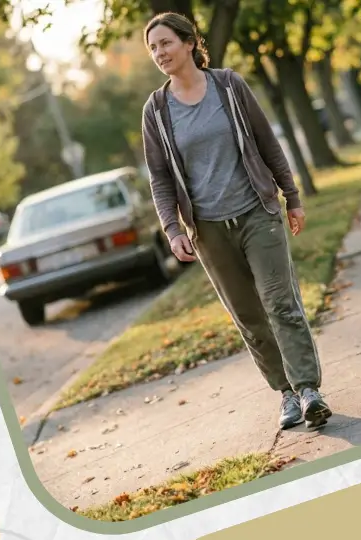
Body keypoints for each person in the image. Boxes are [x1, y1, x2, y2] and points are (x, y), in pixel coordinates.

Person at [140, 12, 332, 430]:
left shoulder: (228, 86)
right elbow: (159, 176)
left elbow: (267, 141)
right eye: (153, 48)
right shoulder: (156, 111)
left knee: (280, 303)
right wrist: (173, 229)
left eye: (166, 43)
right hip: (207, 230)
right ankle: (285, 394)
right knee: (248, 316)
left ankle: (309, 389)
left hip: (256, 212)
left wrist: (292, 196)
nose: (159, 53)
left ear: (190, 43)